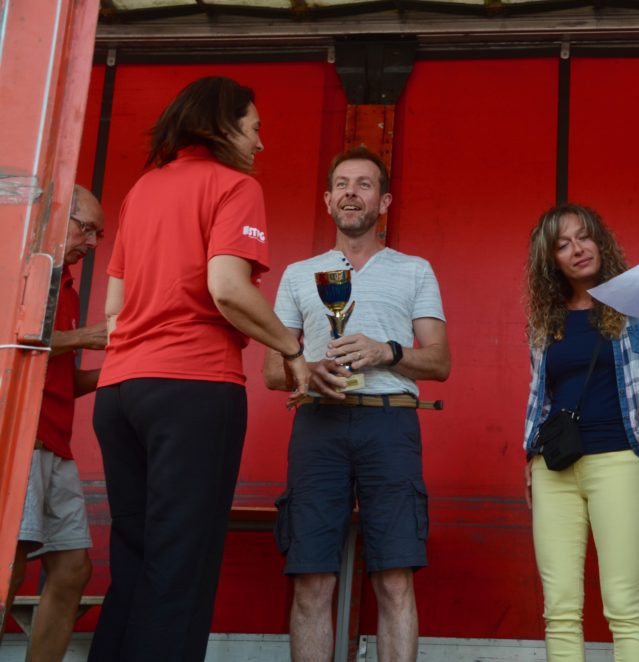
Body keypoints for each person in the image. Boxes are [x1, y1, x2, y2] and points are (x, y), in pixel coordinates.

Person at [89, 76, 309, 662]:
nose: (260, 143)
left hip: (120, 392)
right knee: (181, 561)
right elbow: (228, 288)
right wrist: (291, 349)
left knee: (134, 555)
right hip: (192, 388)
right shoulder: (235, 186)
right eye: (255, 128)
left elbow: (113, 310)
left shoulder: (143, 189)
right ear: (224, 125)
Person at [263, 145, 450, 662]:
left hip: (390, 424)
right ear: (327, 200)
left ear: (383, 202)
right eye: (342, 185)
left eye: (364, 185)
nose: (351, 193)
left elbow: (440, 362)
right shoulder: (299, 273)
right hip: (318, 425)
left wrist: (387, 352)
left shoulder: (414, 270)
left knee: (394, 578)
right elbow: (270, 371)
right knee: (311, 580)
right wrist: (307, 368)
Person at [522, 203, 639, 661]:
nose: (577, 249)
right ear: (551, 261)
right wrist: (531, 454)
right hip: (554, 469)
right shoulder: (546, 319)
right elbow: (540, 394)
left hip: (617, 463)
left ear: (600, 240)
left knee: (624, 608)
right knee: (560, 611)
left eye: (584, 236)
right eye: (562, 245)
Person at [2, 186, 106, 659]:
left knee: (73, 570)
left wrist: (124, 370)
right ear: (60, 217)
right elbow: (15, 340)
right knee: (9, 565)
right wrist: (85, 336)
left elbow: (63, 378)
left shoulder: (67, 287)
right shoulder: (21, 266)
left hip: (56, 446)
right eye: (88, 229)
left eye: (99, 234)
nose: (93, 242)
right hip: (20, 439)